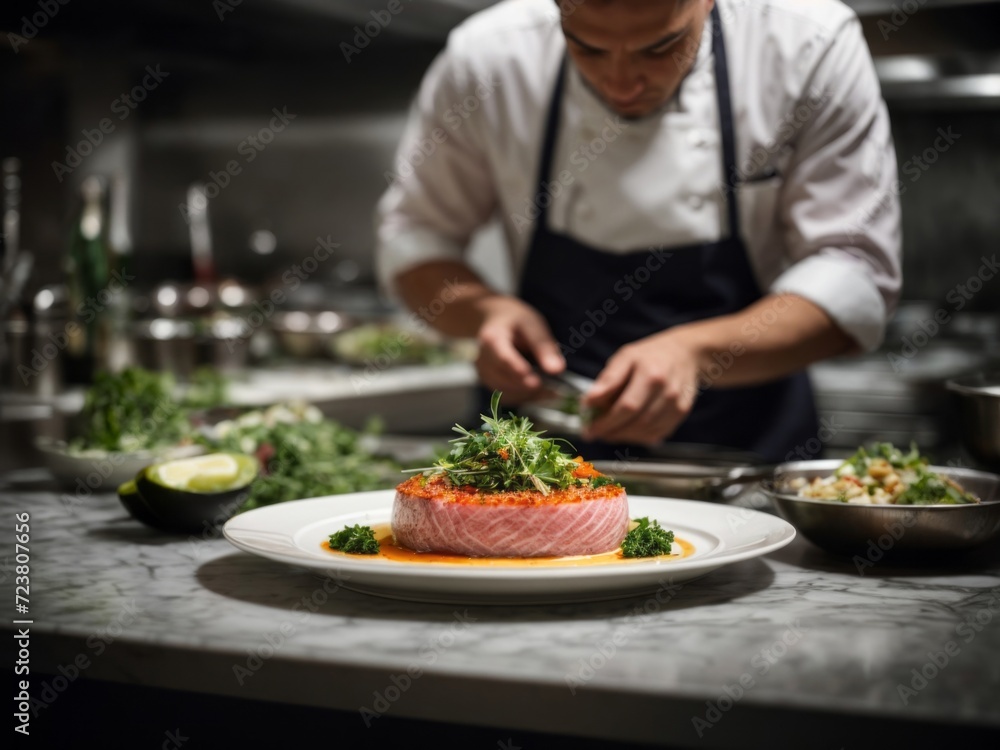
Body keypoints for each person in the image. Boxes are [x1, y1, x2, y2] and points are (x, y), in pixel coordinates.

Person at [374, 0, 901, 462]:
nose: (622, 82)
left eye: (660, 47)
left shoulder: (807, 45)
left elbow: (855, 274)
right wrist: (484, 312)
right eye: (588, 48)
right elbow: (416, 237)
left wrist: (698, 353)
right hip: (536, 451)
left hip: (742, 453)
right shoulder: (489, 57)